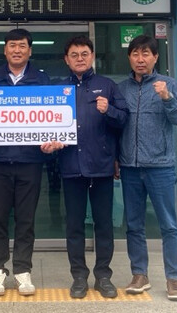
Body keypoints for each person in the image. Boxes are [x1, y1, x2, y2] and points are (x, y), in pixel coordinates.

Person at [0, 28, 51, 297]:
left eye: (22, 46)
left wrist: (52, 140)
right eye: (12, 45)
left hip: (30, 160)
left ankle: (22, 270)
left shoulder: (41, 79)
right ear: (4, 50)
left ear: (30, 50)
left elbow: (51, 114)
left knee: (26, 219)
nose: (17, 50)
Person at [51, 35, 128, 299]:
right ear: (66, 59)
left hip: (101, 166)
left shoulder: (107, 86)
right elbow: (48, 124)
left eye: (84, 54)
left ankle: (103, 276)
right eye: (74, 55)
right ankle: (79, 277)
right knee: (74, 225)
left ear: (92, 56)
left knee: (103, 224)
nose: (80, 58)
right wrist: (49, 142)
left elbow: (123, 120)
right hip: (71, 165)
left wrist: (110, 111)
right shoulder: (59, 89)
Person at [117, 35, 177, 302]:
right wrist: (116, 158)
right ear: (129, 57)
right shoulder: (122, 88)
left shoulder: (169, 84)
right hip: (130, 167)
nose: (140, 59)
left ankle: (174, 279)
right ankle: (139, 274)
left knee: (168, 225)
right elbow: (117, 126)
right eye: (135, 54)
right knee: (134, 225)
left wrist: (167, 97)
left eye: (146, 54)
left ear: (155, 57)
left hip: (160, 166)